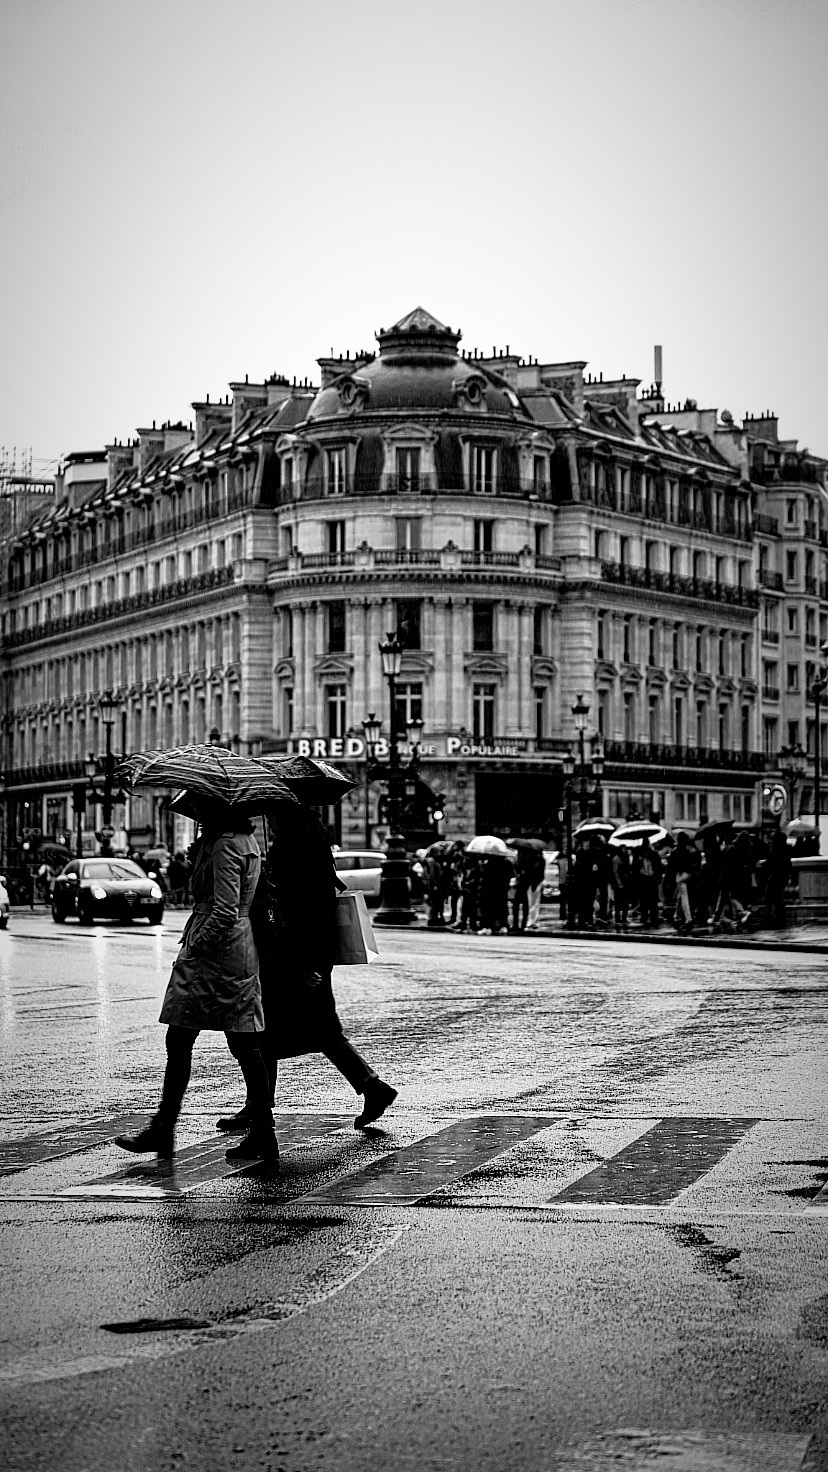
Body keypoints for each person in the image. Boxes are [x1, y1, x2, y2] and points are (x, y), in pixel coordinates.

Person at [218, 803, 397, 1133]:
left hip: (296, 956)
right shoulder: (311, 841)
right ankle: (372, 1087)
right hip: (306, 953)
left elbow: (304, 910)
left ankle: (257, 1107)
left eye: (274, 815)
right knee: (321, 1029)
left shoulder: (296, 847)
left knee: (263, 1031)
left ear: (288, 815)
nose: (269, 820)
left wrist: (303, 962)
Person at [115, 802, 277, 1165]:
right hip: (238, 946)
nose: (197, 814)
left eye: (202, 808)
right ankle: (263, 1133)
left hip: (215, 952)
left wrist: (197, 946)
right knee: (243, 1042)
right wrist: (199, 858)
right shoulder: (245, 841)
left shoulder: (224, 845)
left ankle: (163, 1129)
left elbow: (222, 908)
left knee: (185, 1038)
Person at [763, 829, 793, 926]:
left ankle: (773, 917)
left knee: (769, 895)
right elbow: (789, 864)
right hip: (783, 876)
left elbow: (769, 864)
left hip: (775, 876)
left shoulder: (774, 849)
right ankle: (781, 918)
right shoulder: (786, 849)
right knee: (779, 897)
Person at [635, 837, 662, 928]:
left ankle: (648, 916)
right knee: (648, 900)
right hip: (647, 879)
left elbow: (658, 867)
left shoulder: (647, 854)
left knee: (647, 900)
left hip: (647, 879)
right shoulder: (649, 854)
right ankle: (649, 917)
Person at [610, 844, 630, 930]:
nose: (626, 850)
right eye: (624, 848)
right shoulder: (617, 859)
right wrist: (619, 883)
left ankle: (623, 918)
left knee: (625, 902)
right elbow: (615, 872)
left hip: (625, 883)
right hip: (619, 884)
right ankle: (618, 918)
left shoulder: (625, 857)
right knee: (619, 902)